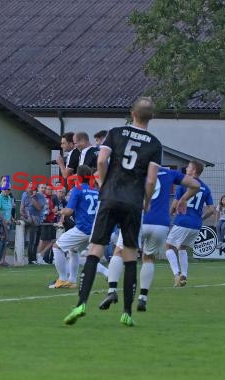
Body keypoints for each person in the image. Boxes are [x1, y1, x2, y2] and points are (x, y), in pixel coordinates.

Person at [63, 97, 163, 327]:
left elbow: (101, 161)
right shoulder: (155, 144)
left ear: (132, 113)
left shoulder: (116, 133)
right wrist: (146, 201)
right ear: (152, 117)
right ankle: (127, 312)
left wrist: (106, 184)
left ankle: (81, 303)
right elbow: (150, 180)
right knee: (129, 254)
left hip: (109, 197)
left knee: (95, 249)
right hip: (133, 202)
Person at [99, 167, 200, 312]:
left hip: (137, 218)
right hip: (160, 224)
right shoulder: (170, 173)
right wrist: (183, 199)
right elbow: (195, 184)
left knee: (119, 252)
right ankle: (142, 298)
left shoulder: (134, 171)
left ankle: (112, 290)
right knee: (148, 257)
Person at [165, 161, 215, 287]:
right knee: (182, 248)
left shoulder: (184, 185)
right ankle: (184, 276)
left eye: (189, 167)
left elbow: (175, 204)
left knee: (168, 246)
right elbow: (212, 209)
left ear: (194, 171)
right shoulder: (206, 188)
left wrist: (170, 214)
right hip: (196, 225)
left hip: (182, 221)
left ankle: (177, 274)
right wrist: (201, 218)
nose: (186, 168)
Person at [50, 166, 100, 289]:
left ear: (78, 176)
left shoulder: (77, 189)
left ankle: (62, 278)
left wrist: (60, 211)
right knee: (74, 250)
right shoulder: (95, 190)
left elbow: (69, 211)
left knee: (57, 247)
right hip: (93, 229)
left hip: (82, 228)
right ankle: (72, 280)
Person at [20, 182, 45, 264]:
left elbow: (39, 208)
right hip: (27, 218)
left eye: (32, 188)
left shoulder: (40, 197)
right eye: (29, 188)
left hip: (36, 220)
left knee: (33, 241)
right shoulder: (24, 195)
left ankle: (32, 259)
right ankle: (23, 257)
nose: (30, 189)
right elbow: (21, 209)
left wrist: (32, 198)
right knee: (24, 240)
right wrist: (26, 215)